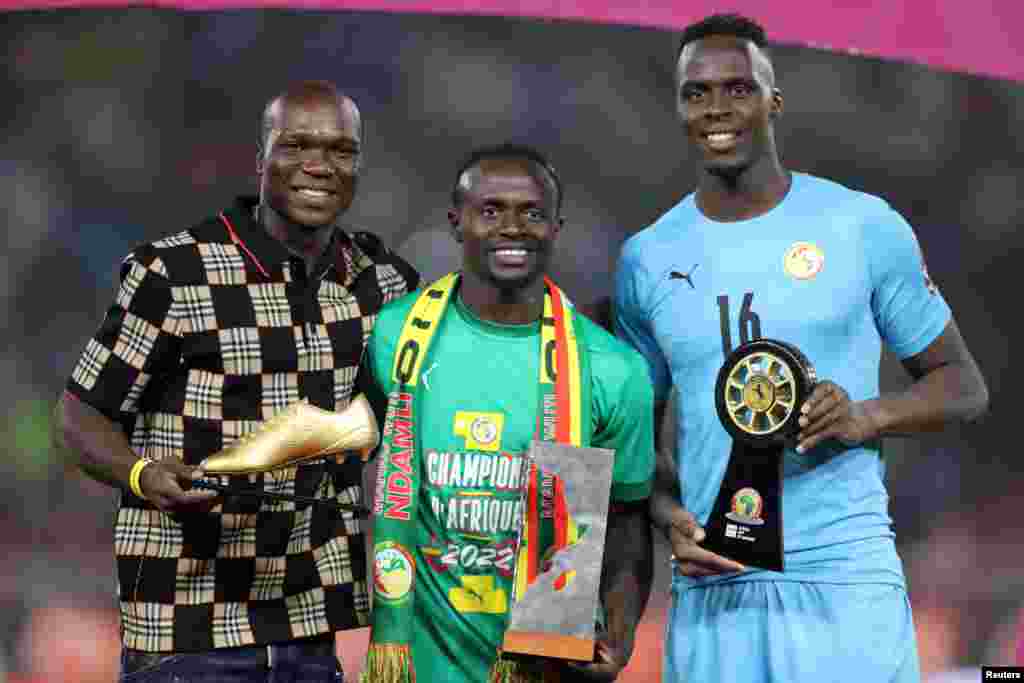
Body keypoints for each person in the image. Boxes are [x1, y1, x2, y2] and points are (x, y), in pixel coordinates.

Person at [613, 14, 989, 683]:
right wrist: (670, 515)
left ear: (773, 100)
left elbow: (962, 383)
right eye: (697, 93)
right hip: (713, 594)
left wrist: (864, 416)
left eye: (738, 87)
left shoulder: (863, 225)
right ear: (678, 107)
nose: (717, 107)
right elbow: (631, 432)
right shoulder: (647, 258)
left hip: (843, 580)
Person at [55, 80, 420, 682]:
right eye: (297, 145)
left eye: (341, 151)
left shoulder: (385, 284)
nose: (319, 166)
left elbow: (396, 423)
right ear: (261, 161)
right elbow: (78, 416)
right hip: (186, 628)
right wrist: (143, 475)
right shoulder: (173, 273)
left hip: (310, 629)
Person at [361, 143, 654, 682]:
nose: (512, 227)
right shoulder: (393, 337)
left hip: (545, 662)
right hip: (419, 664)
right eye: (490, 210)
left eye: (532, 213)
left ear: (556, 226)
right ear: (456, 222)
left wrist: (620, 632)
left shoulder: (614, 369)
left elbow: (628, 520)